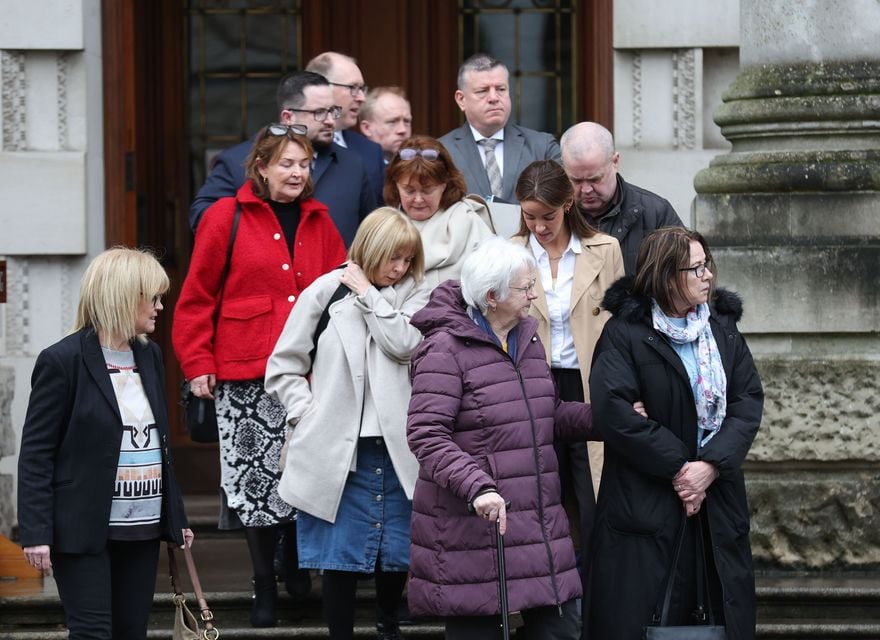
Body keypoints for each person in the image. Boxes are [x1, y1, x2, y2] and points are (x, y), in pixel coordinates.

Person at [173, 124, 347, 627]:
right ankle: (263, 583)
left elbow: (341, 290)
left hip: (309, 372)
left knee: (302, 470)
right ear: (262, 167)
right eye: (286, 163)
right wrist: (198, 363)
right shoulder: (225, 217)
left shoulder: (321, 221)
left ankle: (293, 561)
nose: (297, 172)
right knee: (254, 481)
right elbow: (197, 296)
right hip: (244, 371)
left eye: (304, 164)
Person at [406, 236, 596, 639]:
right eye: (526, 288)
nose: (534, 296)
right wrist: (477, 487)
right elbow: (427, 434)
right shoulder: (444, 349)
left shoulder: (526, 336)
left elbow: (547, 414)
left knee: (562, 632)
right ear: (491, 296)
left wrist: (609, 420)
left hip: (536, 525)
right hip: (473, 531)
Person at [589, 227, 763, 640]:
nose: (708, 276)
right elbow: (616, 412)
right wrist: (683, 469)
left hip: (717, 503)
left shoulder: (721, 327)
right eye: (696, 268)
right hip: (645, 506)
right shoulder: (625, 332)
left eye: (708, 265)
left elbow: (747, 401)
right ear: (667, 276)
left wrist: (710, 467)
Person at [265, 207, 428, 640]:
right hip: (338, 446)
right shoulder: (325, 291)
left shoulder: (418, 296)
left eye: (408, 258)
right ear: (370, 250)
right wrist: (306, 412)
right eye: (393, 257)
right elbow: (283, 365)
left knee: (398, 547)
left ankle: (388, 623)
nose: (401, 268)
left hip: (398, 446)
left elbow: (405, 345)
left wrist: (369, 295)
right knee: (337, 553)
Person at [17, 247, 193, 640]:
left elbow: (160, 443)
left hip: (143, 525)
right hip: (83, 527)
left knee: (132, 630)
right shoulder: (62, 361)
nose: (161, 307)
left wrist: (175, 515)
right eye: (154, 297)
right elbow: (36, 454)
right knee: (93, 632)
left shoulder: (150, 356)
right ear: (125, 296)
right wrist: (36, 532)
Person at [511, 159, 624, 639]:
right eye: (530, 216)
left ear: (568, 204)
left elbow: (621, 326)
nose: (538, 226)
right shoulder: (510, 252)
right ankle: (545, 614)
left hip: (588, 384)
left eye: (547, 216)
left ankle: (599, 608)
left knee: (594, 494)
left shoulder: (605, 249)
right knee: (538, 495)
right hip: (530, 386)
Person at [189, 71, 377, 245]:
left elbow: (372, 233)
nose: (330, 121)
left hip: (338, 277)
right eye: (319, 112)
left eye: (333, 111)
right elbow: (201, 217)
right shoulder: (237, 161)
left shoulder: (352, 164)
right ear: (288, 117)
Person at [560, 121, 685, 275]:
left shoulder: (655, 212)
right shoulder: (553, 215)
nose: (586, 190)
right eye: (576, 180)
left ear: (615, 162)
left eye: (595, 179)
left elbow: (687, 275)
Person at [438, 53, 561, 203]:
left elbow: (564, 201)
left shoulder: (542, 147)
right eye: (482, 91)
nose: (494, 98)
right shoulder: (441, 152)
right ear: (461, 100)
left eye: (501, 89)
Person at [384, 134, 495, 288]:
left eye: (427, 190)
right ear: (396, 185)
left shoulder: (469, 221)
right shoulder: (383, 226)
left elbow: (493, 280)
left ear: (445, 185)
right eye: (409, 191)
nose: (418, 199)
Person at [306, 51, 385, 202]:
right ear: (321, 87)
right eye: (353, 88)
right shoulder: (289, 149)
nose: (362, 98)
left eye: (362, 89)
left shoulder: (371, 152)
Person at [359, 86, 413, 164]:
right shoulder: (355, 168)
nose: (403, 130)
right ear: (367, 128)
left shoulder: (420, 168)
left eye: (406, 121)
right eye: (392, 122)